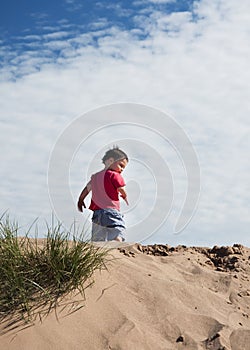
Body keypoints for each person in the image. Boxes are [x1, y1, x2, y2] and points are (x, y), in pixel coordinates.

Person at [77, 146, 129, 242]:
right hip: (110, 211)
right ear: (110, 161)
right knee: (117, 229)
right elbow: (121, 188)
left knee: (98, 238)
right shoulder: (114, 175)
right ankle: (116, 241)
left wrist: (81, 200)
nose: (122, 169)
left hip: (97, 214)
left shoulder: (95, 177)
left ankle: (99, 250)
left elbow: (87, 189)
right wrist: (125, 196)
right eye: (121, 165)